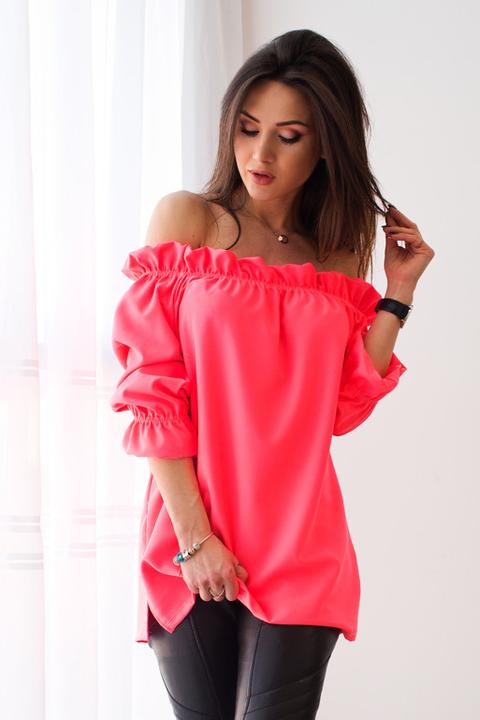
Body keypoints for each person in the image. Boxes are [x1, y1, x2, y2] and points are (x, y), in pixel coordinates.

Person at [110, 28, 434, 720]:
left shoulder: (338, 254)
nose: (259, 154)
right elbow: (152, 393)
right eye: (248, 128)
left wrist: (397, 295)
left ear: (326, 147)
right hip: (192, 529)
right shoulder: (187, 221)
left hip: (301, 538)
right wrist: (196, 540)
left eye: (288, 137)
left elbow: (339, 408)